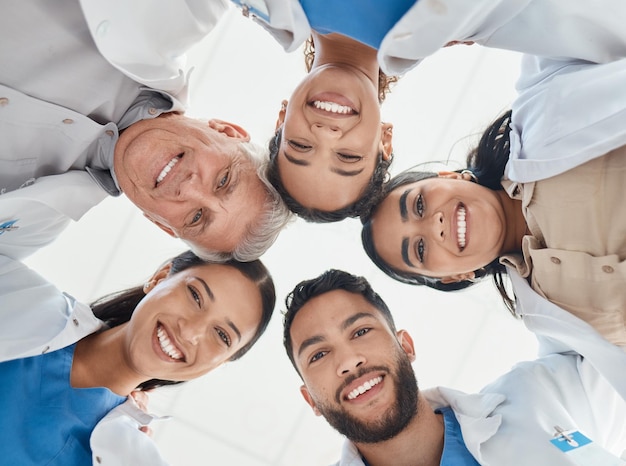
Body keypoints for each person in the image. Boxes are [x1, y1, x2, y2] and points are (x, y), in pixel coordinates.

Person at [232, 0, 626, 222]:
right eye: (348, 156)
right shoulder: (487, 21)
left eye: (300, 145)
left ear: (282, 119)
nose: (326, 133)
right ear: (384, 140)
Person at [361, 55, 626, 346]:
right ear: (455, 276)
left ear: (451, 176)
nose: (433, 225)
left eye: (418, 205)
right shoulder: (554, 316)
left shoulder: (540, 121)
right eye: (420, 249)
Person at [0, 0, 291, 262]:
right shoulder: (176, 15)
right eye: (224, 180)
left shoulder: (26, 229)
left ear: (161, 225)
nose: (188, 188)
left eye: (196, 217)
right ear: (227, 131)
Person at [282, 269, 626, 465]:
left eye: (360, 331)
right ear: (310, 399)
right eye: (318, 355)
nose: (349, 361)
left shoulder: (537, 395)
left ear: (406, 346)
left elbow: (609, 340)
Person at [0, 249, 276, 465]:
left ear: (220, 363)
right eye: (195, 296)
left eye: (222, 335)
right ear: (160, 277)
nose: (190, 331)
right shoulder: (20, 294)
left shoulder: (123, 455)